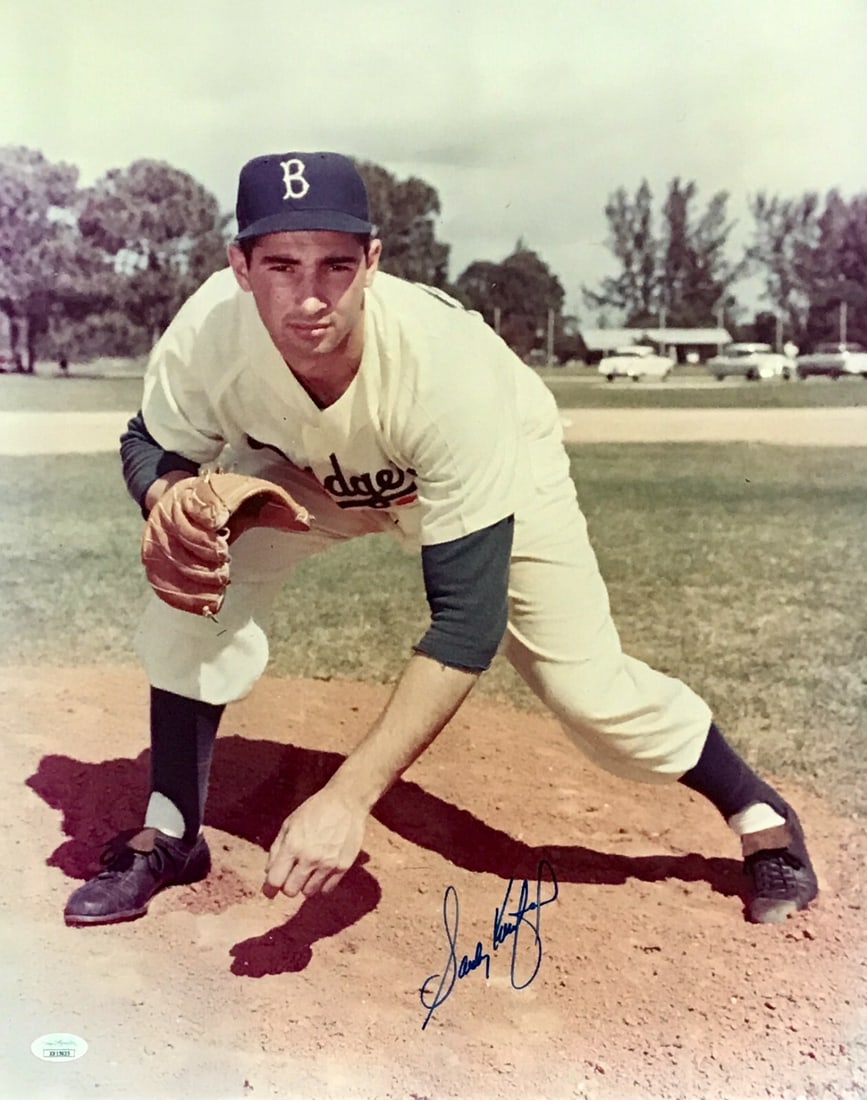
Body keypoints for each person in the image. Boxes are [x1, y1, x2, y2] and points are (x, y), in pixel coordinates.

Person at [64, 152, 818, 928]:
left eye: (337, 264)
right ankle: (171, 834)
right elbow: (151, 440)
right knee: (194, 582)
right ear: (240, 266)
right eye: (282, 265)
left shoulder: (446, 370)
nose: (311, 294)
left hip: (480, 471)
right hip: (299, 476)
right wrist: (168, 495)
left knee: (588, 694)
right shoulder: (209, 335)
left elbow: (466, 621)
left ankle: (755, 810)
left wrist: (347, 797)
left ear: (374, 263)